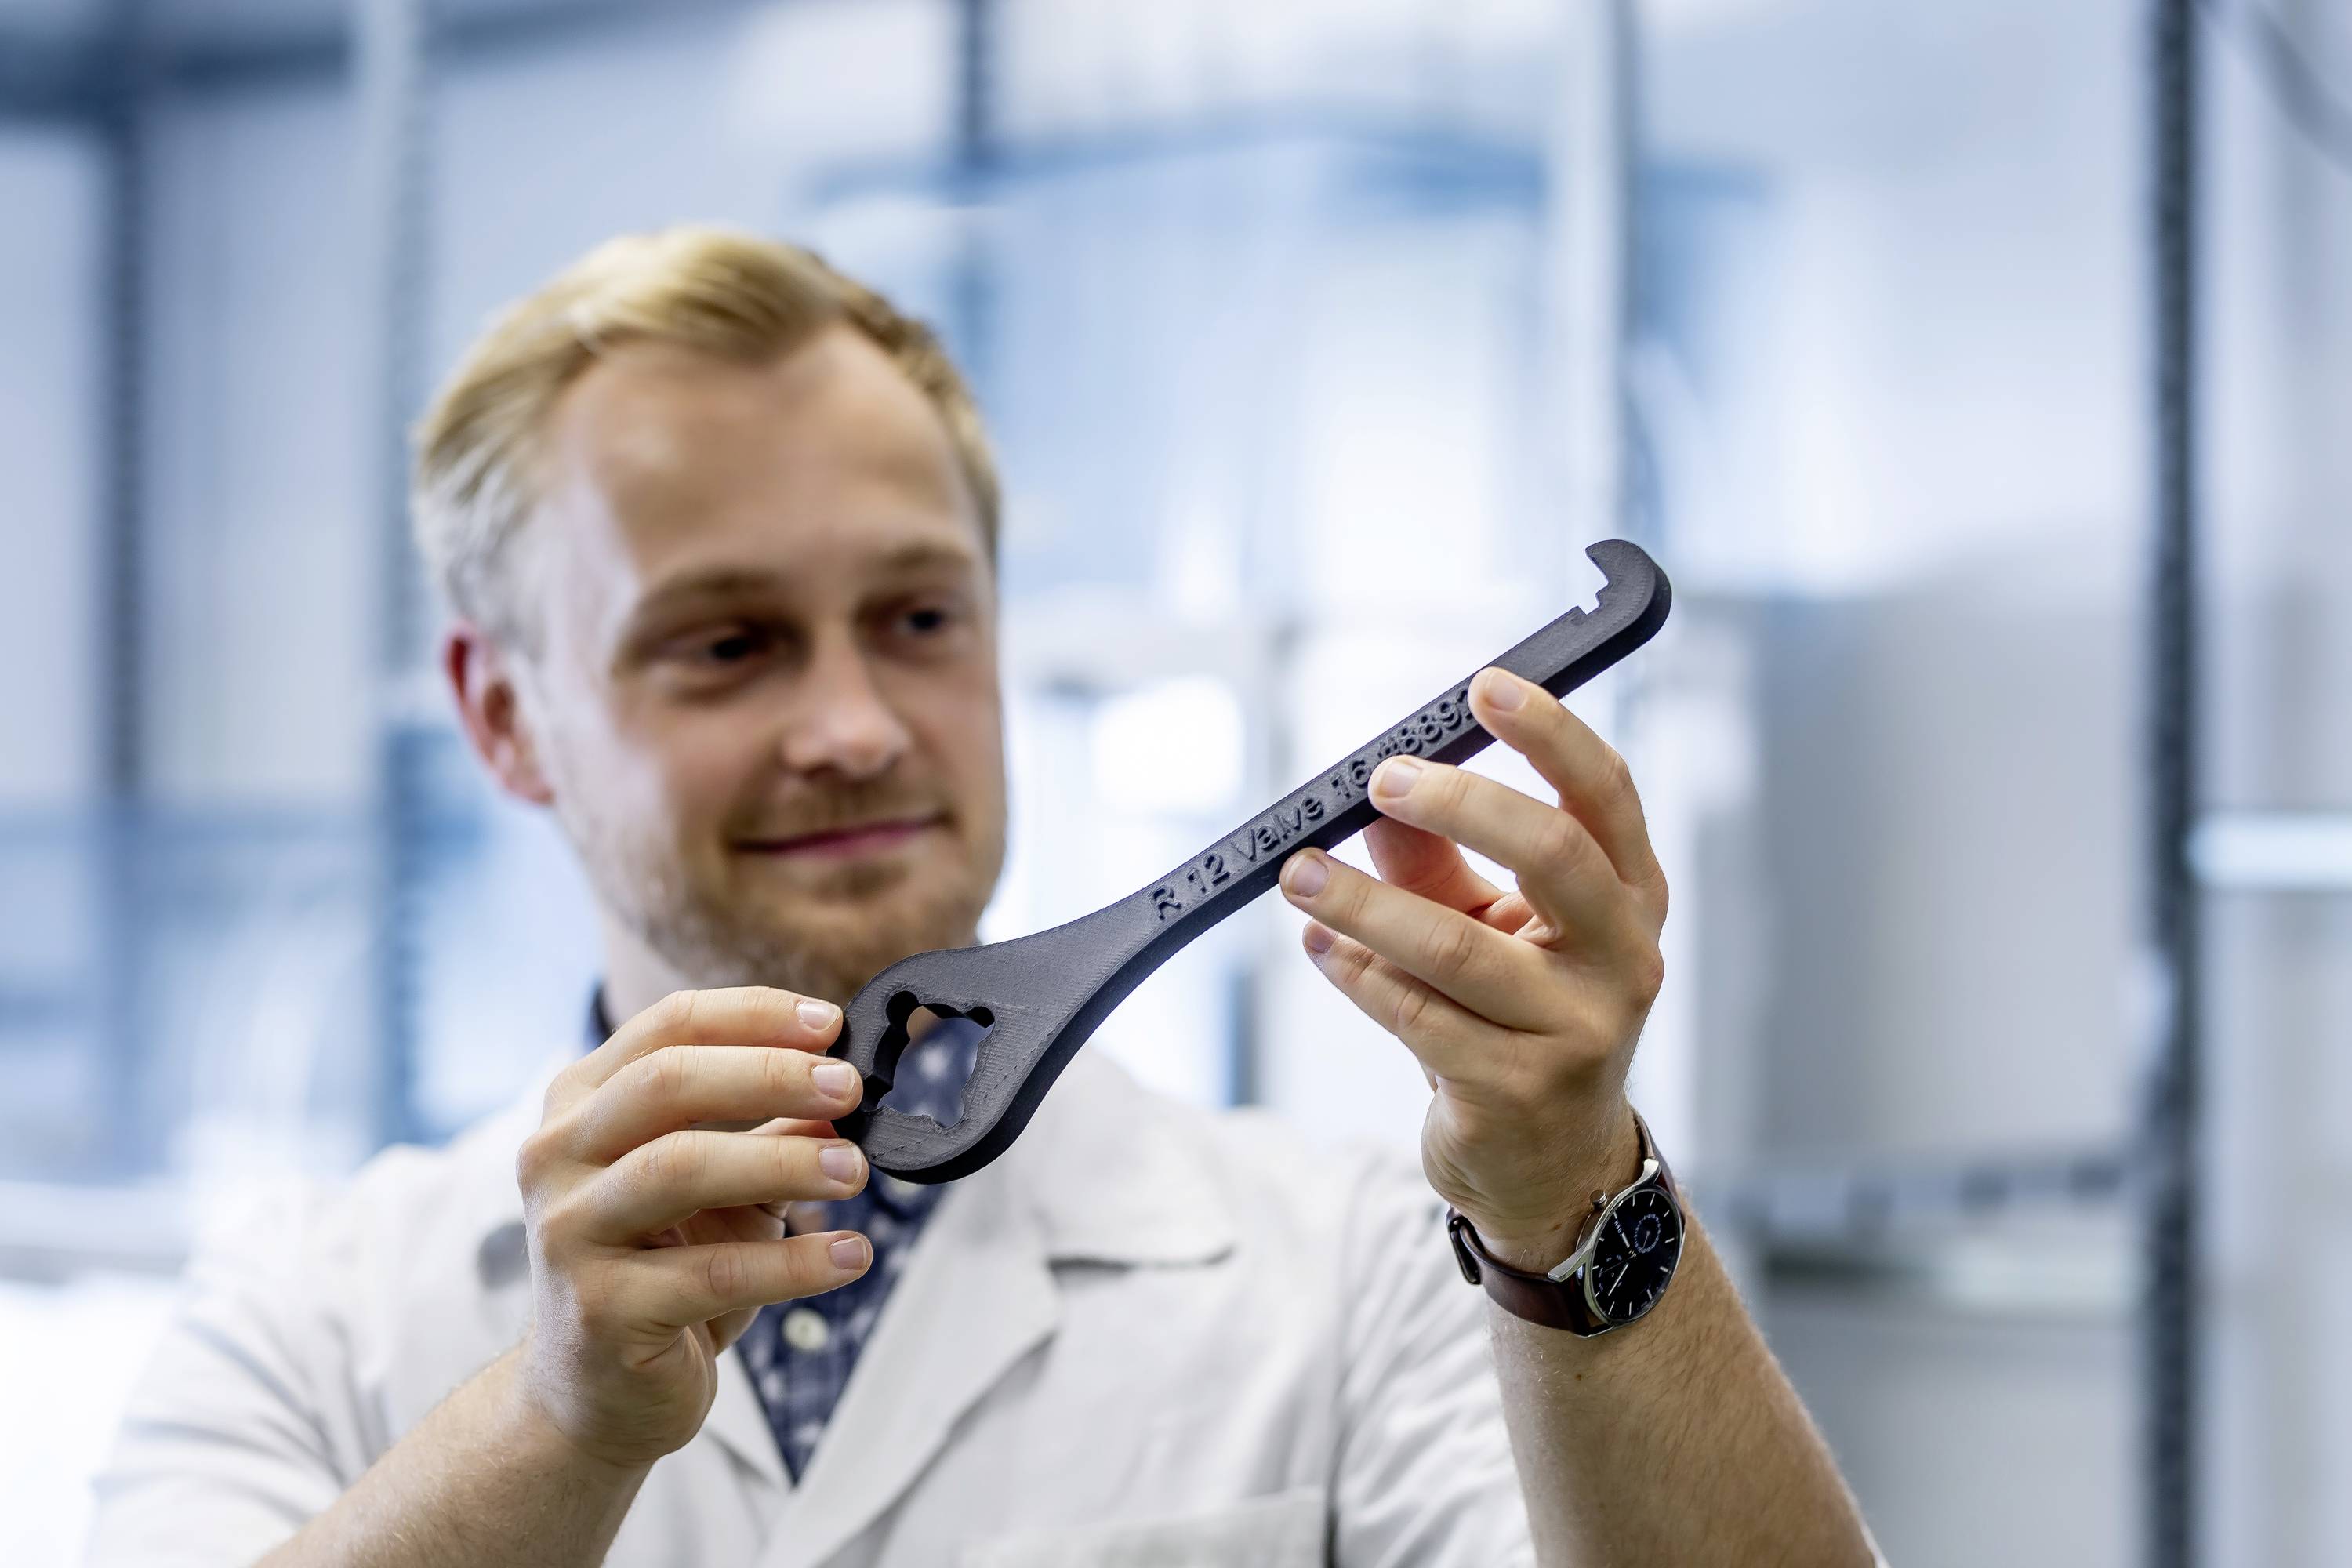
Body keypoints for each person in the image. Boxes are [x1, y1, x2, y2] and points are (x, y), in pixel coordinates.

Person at [85, 227, 1878, 1566]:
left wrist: (1577, 1193)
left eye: (921, 618)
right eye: (728, 645)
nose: (857, 726)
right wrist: (555, 1424)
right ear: (505, 716)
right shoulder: (305, 1317)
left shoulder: (1366, 1272)